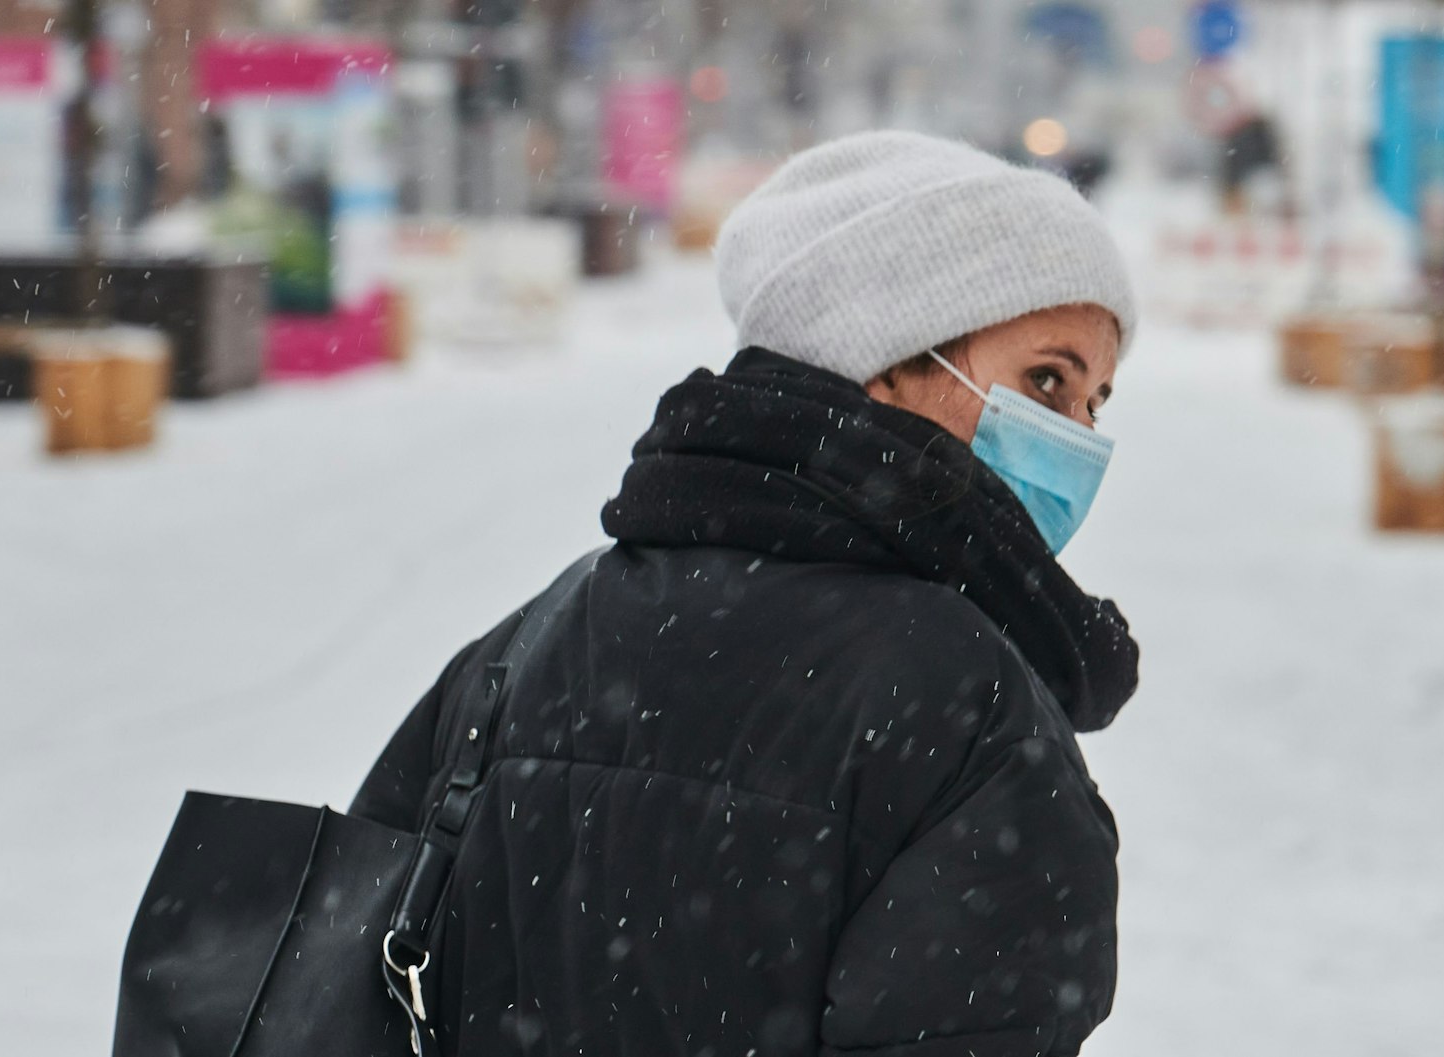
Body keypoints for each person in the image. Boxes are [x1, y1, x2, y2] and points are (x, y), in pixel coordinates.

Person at [350, 130, 1141, 1057]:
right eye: (1046, 379)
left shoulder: (528, 645)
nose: (1077, 438)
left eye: (1095, 402)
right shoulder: (974, 707)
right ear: (887, 361)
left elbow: (352, 981)